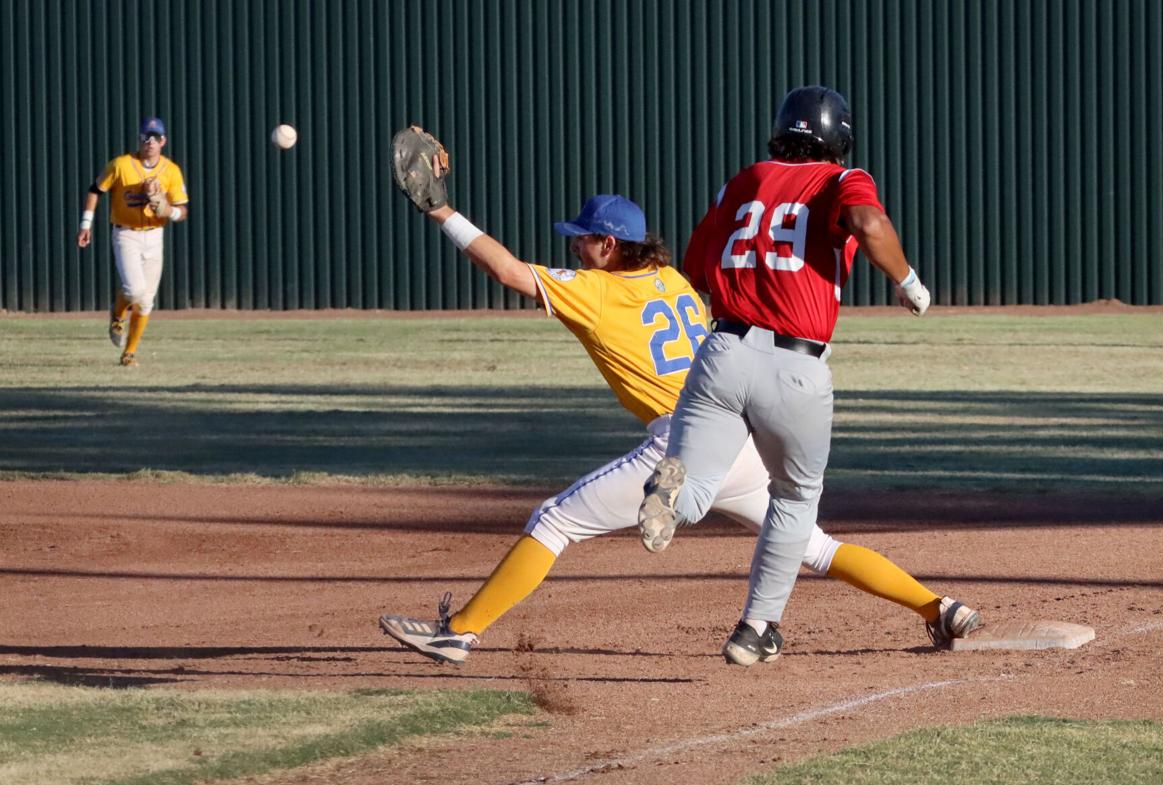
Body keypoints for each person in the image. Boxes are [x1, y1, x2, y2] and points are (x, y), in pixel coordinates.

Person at [378, 140, 976, 665]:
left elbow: (508, 271)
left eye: (584, 239)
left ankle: (458, 633)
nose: (577, 249)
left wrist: (442, 212)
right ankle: (938, 607)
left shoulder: (596, 291)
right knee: (808, 542)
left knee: (554, 521)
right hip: (743, 438)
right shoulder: (674, 281)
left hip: (685, 438)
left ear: (609, 245)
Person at [638, 86, 981, 666]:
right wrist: (907, 280)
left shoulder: (742, 182)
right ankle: (756, 629)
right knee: (795, 497)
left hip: (720, 350)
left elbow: (697, 266)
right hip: (794, 364)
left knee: (694, 488)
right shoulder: (840, 180)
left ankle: (669, 496)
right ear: (838, 140)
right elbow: (868, 223)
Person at [77, 116, 189, 367]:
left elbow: (183, 211)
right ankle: (117, 314)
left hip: (154, 234)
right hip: (126, 233)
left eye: (156, 137)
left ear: (164, 141)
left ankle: (129, 353)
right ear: (139, 139)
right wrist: (86, 224)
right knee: (134, 290)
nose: (150, 142)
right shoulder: (121, 165)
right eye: (146, 137)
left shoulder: (171, 170)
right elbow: (95, 190)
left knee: (147, 300)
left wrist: (166, 210)